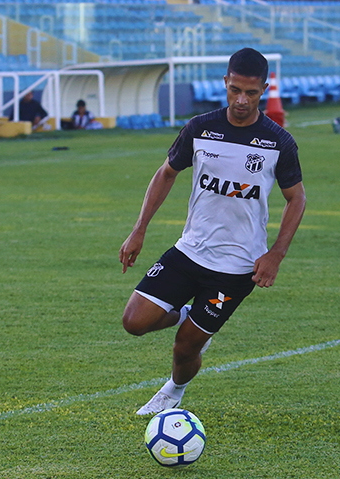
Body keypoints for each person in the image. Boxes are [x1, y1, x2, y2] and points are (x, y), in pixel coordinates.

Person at [119, 48, 306, 415]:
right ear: (225, 82)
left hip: (236, 268)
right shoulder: (200, 128)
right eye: (235, 89)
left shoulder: (277, 142)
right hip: (189, 251)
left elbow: (296, 199)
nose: (241, 100)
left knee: (185, 347)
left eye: (251, 93)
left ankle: (173, 392)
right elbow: (166, 174)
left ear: (264, 90)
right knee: (134, 322)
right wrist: (139, 229)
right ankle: (187, 313)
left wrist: (276, 255)